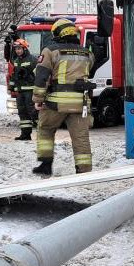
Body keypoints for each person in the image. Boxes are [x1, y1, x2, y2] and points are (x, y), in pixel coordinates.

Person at [33, 18, 97, 176]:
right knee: (81, 137)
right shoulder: (87, 53)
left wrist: (38, 100)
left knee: (46, 129)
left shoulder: (50, 51)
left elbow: (41, 77)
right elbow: (90, 71)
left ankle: (46, 165)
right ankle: (84, 171)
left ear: (58, 33)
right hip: (80, 103)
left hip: (56, 102)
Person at [9, 39, 38, 140]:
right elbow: (14, 75)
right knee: (22, 112)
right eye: (16, 49)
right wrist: (11, 86)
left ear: (24, 49)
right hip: (20, 90)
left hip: (30, 90)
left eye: (19, 49)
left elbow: (38, 74)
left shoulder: (33, 59)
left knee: (33, 111)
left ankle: (43, 133)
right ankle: (25, 134)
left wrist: (28, 75)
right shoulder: (16, 61)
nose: (18, 51)